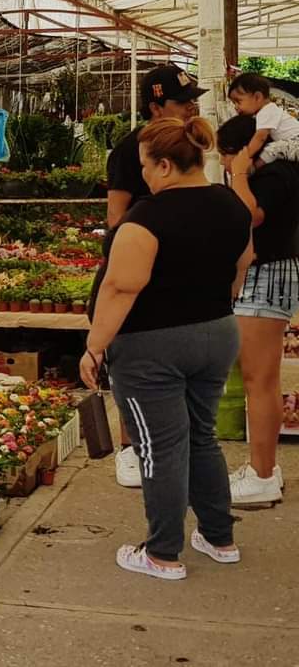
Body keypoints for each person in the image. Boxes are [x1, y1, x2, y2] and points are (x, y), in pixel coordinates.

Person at [82, 117, 253, 580]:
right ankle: (220, 538)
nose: (142, 176)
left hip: (151, 344)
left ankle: (161, 553)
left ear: (165, 165)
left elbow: (120, 287)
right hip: (217, 332)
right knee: (201, 436)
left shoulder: (145, 220)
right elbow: (242, 264)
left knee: (159, 448)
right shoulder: (233, 205)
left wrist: (95, 348)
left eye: (145, 166)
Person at [104, 64, 207, 488]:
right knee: (132, 357)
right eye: (182, 102)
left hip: (183, 269)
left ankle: (174, 440)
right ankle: (130, 447)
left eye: (191, 101)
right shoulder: (130, 150)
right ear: (154, 106)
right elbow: (115, 215)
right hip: (142, 266)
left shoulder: (193, 143)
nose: (190, 108)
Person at [216, 113, 299, 504]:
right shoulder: (277, 173)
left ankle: (262, 474)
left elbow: (252, 215)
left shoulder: (274, 176)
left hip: (267, 275)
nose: (224, 163)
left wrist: (241, 175)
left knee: (259, 380)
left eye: (226, 155)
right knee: (260, 379)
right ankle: (266, 466)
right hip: (265, 276)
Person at [227, 73, 299, 165]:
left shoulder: (266, 112)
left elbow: (260, 138)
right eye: (234, 103)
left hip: (296, 142)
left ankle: (254, 168)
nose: (236, 107)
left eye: (238, 101)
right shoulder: (266, 110)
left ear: (258, 97)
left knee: (272, 149)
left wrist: (246, 155)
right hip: (294, 142)